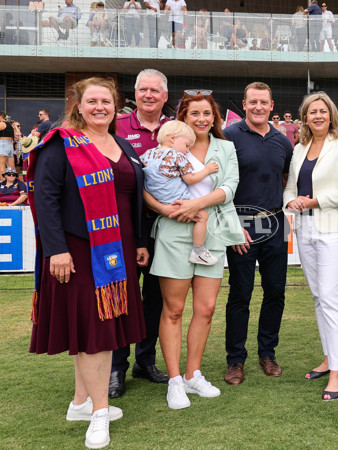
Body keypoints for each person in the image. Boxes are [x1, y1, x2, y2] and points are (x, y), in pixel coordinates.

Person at [28, 76, 148, 449]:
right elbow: (44, 198)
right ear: (77, 106)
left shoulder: (122, 144)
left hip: (121, 251)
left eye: (106, 101)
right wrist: (56, 249)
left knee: (95, 332)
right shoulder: (60, 145)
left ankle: (80, 402)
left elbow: (134, 197)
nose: (100, 107)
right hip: (78, 251)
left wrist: (142, 242)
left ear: (116, 107)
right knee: (95, 332)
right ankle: (99, 412)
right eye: (92, 101)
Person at [144, 89, 245, 409]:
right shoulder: (165, 148)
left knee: (205, 308)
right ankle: (175, 381)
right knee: (172, 309)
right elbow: (144, 187)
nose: (202, 119)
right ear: (182, 119)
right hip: (173, 230)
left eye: (207, 114)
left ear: (215, 117)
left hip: (211, 232)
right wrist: (165, 210)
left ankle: (193, 374)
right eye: (194, 114)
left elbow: (229, 187)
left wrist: (196, 204)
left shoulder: (226, 147)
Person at [283, 92, 338, 401]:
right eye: (311, 111)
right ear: (305, 117)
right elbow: (290, 186)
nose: (317, 115)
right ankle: (329, 358)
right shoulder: (300, 148)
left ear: (331, 115)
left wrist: (315, 201)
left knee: (330, 297)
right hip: (305, 227)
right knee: (318, 296)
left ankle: (337, 373)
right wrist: (291, 200)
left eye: (322, 111)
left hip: (333, 228)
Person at [222, 82, 294, 385]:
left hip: (276, 225)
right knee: (240, 294)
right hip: (241, 225)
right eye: (253, 102)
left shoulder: (282, 141)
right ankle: (235, 360)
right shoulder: (228, 137)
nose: (258, 107)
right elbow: (221, 183)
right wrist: (233, 226)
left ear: (271, 105)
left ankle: (268, 353)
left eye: (263, 102)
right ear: (244, 104)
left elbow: (288, 177)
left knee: (275, 292)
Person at [111, 68, 171, 399]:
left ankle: (145, 361)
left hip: (166, 227)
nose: (149, 95)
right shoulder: (116, 126)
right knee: (122, 295)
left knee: (156, 299)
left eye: (155, 90)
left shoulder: (177, 128)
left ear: (165, 95)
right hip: (126, 226)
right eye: (143, 90)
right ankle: (116, 367)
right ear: (135, 94)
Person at [140, 120, 219, 266]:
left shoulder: (147, 155)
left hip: (159, 203)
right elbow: (190, 179)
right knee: (203, 216)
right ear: (172, 138)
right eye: (187, 145)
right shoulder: (177, 156)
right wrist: (207, 170)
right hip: (179, 200)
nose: (188, 150)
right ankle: (198, 250)